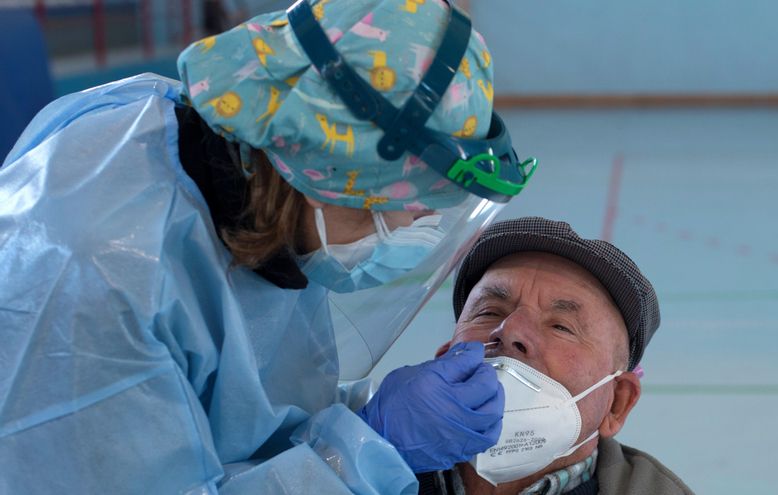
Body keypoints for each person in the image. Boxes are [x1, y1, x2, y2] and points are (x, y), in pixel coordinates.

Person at [0, 1, 536, 493]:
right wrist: (371, 452)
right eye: (416, 210)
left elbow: (239, 418)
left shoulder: (256, 187)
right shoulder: (102, 279)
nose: (418, 229)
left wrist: (370, 419)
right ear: (336, 177)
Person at [362, 217, 694, 494]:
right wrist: (362, 453)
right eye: (489, 311)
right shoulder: (349, 454)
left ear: (617, 403)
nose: (510, 330)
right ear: (443, 360)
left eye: (561, 326)